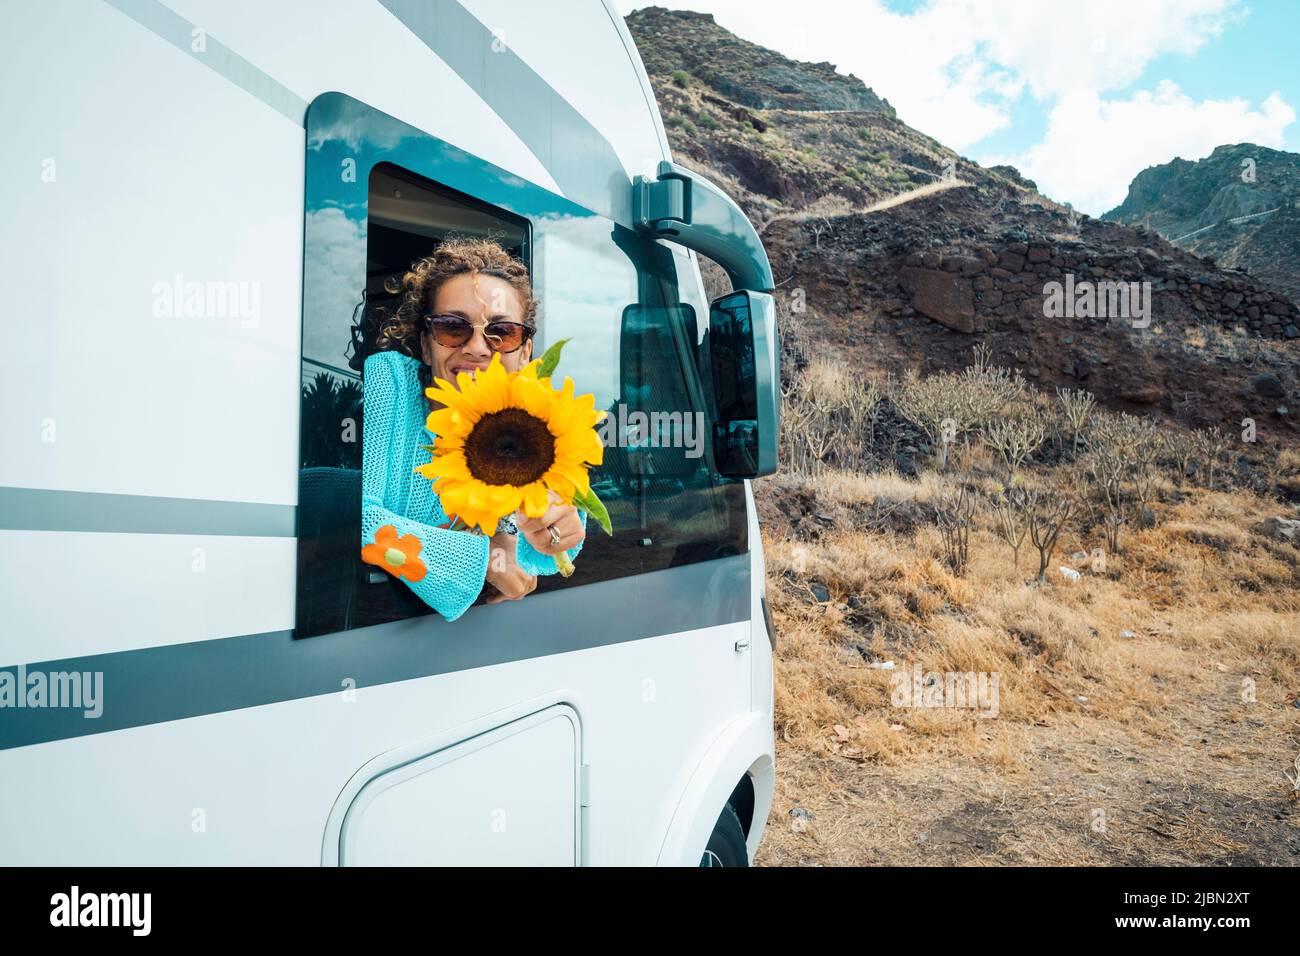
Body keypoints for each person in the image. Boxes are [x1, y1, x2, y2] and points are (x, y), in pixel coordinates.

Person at [360, 237, 586, 621]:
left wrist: (555, 530)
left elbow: (529, 558)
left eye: (503, 332)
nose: (479, 348)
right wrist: (484, 562)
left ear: (525, 352)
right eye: (452, 327)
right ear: (427, 345)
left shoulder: (533, 423)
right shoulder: (391, 385)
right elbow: (357, 522)